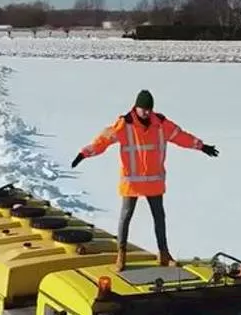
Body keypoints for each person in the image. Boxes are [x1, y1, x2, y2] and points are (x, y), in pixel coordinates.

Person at [71, 89, 218, 271]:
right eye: (143, 109)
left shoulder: (161, 124)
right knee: (126, 216)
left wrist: (201, 146)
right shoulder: (125, 125)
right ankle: (121, 256)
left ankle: (164, 254)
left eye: (149, 109)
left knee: (159, 217)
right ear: (136, 107)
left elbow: (180, 136)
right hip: (131, 182)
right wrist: (84, 153)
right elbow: (104, 140)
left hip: (154, 181)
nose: (147, 113)